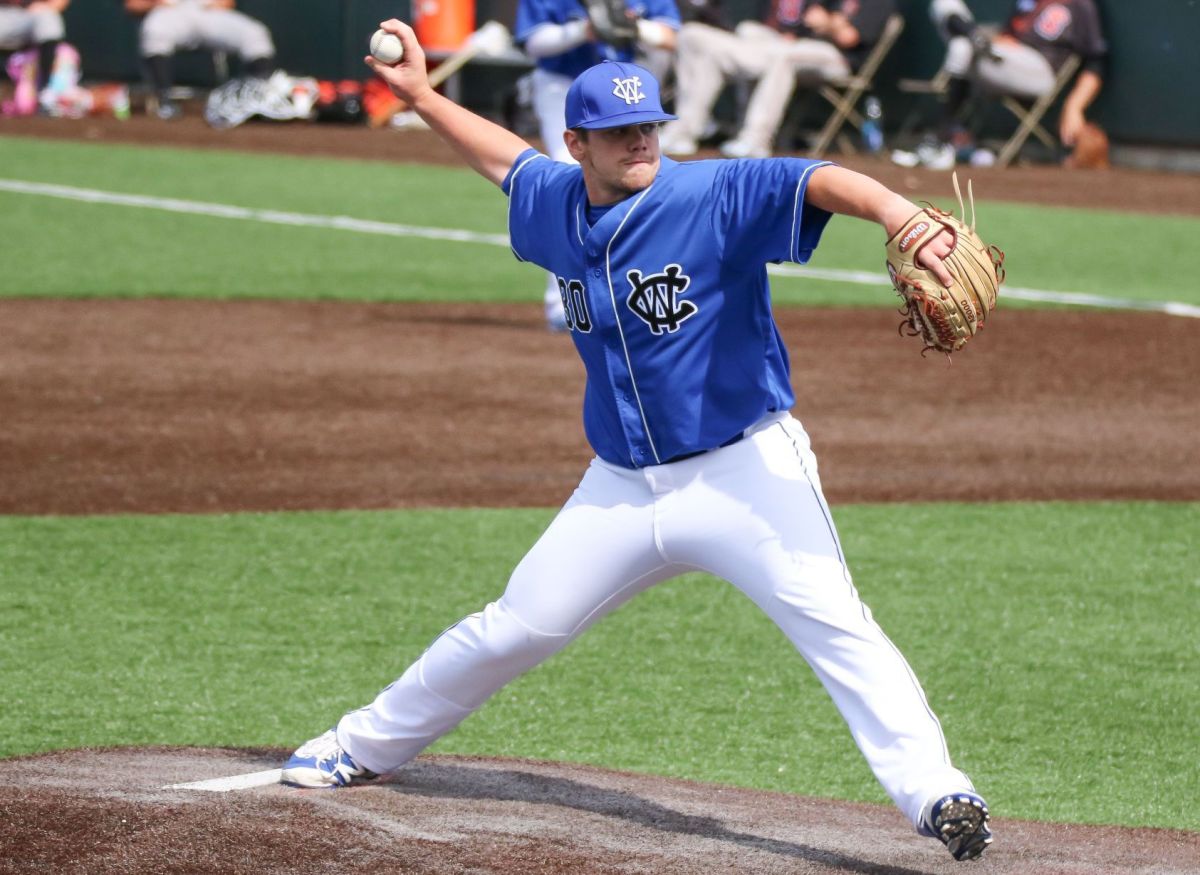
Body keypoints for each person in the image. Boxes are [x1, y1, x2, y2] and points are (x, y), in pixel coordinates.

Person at [280, 22, 995, 865]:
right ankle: (361, 745)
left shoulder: (708, 196)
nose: (641, 141)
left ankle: (941, 794)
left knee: (836, 624)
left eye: (649, 124)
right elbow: (506, 161)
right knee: (516, 626)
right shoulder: (555, 203)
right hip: (619, 489)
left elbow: (813, 178)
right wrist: (426, 99)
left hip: (746, 471)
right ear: (578, 142)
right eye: (619, 133)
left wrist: (898, 210)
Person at [515, 0, 680, 331]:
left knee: (640, 181)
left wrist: (636, 27)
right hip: (562, 84)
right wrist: (582, 30)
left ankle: (632, 298)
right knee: (572, 175)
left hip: (623, 95)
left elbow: (670, 36)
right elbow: (534, 42)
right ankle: (563, 303)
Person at [659, 0, 895, 159]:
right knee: (694, 36)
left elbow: (848, 37)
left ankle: (756, 139)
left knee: (783, 56)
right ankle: (682, 132)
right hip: (785, 47)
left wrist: (828, 23)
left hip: (836, 59)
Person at [893, 0, 1107, 170]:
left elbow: (1096, 62)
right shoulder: (1028, 2)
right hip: (999, 58)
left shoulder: (1080, 5)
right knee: (945, 6)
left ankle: (942, 139)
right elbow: (1008, 34)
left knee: (963, 47)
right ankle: (974, 37)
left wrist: (1074, 106)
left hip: (1037, 70)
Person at [123, 0, 276, 120]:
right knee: (156, 31)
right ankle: (163, 100)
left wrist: (221, 4)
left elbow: (228, 3)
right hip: (170, 12)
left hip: (208, 13)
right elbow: (132, 5)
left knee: (255, 33)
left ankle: (256, 98)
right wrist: (153, 4)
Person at [0, 0, 69, 94]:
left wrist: (47, 6)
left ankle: (47, 91)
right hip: (3, 12)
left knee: (48, 19)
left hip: (29, 13)